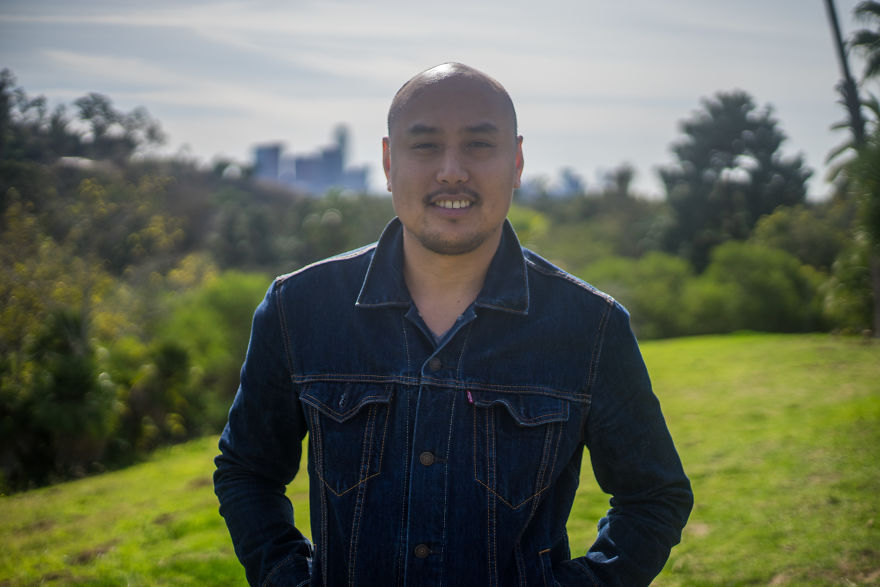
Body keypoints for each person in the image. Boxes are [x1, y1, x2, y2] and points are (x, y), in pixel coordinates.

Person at [214, 62, 693, 587]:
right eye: (425, 146)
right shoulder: (298, 308)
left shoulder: (590, 326)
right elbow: (247, 472)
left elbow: (654, 496)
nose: (451, 171)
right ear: (388, 162)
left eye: (479, 145)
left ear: (517, 162)